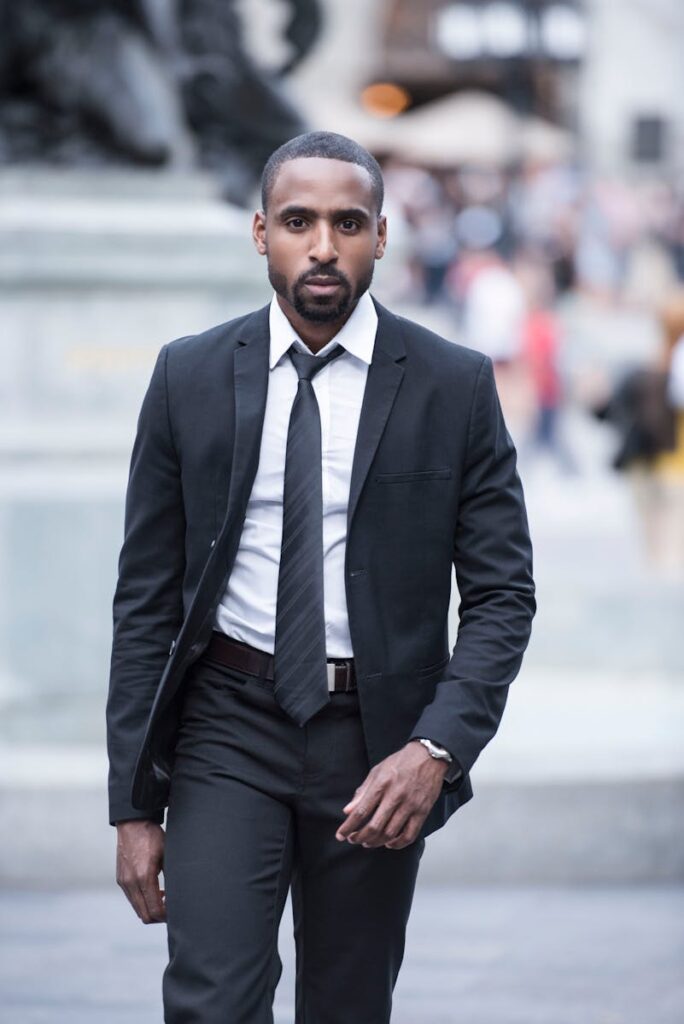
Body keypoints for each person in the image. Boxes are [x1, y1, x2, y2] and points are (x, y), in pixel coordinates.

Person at [106, 131, 536, 1023]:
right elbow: (146, 601)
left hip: (377, 743)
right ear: (261, 232)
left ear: (382, 236)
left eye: (349, 222)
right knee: (211, 1003)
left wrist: (436, 750)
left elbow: (501, 596)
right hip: (227, 727)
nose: (324, 245)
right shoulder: (187, 375)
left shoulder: (453, 386)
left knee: (346, 1005)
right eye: (299, 221)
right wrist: (133, 804)